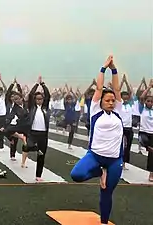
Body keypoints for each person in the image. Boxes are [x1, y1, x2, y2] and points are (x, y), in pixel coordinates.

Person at [70, 55, 123, 225]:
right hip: (95, 155)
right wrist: (103, 68)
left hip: (115, 159)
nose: (111, 102)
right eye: (107, 100)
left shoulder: (118, 111)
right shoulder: (95, 111)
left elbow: (116, 88)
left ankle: (104, 222)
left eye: (112, 101)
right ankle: (101, 172)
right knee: (76, 175)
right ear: (100, 102)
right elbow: (99, 88)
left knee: (106, 192)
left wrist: (114, 70)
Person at [26, 76, 51, 182]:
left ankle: (38, 175)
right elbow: (31, 95)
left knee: (42, 155)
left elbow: (48, 95)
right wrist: (37, 84)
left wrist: (43, 85)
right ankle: (36, 149)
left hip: (43, 134)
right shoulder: (32, 107)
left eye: (41, 99)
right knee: (27, 147)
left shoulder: (45, 108)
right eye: (37, 99)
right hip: (32, 133)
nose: (39, 101)